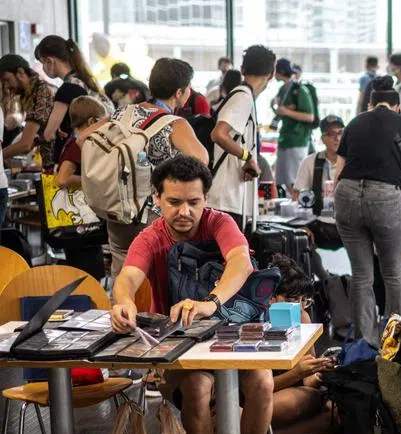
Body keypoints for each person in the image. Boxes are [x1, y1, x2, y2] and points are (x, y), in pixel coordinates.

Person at [110, 155, 273, 434]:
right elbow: (128, 277)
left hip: (231, 336)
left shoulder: (220, 223)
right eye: (173, 202)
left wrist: (210, 302)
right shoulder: (150, 238)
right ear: (157, 198)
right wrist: (125, 303)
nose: (184, 211)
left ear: (206, 199)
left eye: (194, 202)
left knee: (263, 382)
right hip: (180, 350)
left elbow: (241, 262)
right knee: (198, 386)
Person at [96, 58, 211, 276]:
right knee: (155, 278)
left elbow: (85, 138)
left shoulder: (123, 113)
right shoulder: (174, 124)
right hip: (151, 213)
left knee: (123, 273)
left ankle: (121, 309)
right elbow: (201, 159)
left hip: (117, 209)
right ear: (179, 93)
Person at [335, 77, 401, 345]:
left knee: (362, 274)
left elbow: (338, 173)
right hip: (385, 196)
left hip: (347, 195)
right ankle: (400, 340)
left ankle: (366, 343)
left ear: (371, 104)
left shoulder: (354, 124)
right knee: (393, 270)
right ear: (397, 106)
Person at [209, 44, 276, 231]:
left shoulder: (242, 96)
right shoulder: (243, 97)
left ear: (242, 70)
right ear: (272, 73)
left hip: (228, 199)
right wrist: (248, 158)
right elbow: (219, 134)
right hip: (224, 200)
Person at [268, 255, 334, 434]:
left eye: (303, 300)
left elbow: (308, 381)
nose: (298, 307)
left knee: (333, 412)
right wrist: (296, 373)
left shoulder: (302, 317)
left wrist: (320, 371)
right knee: (296, 402)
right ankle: (254, 430)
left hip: (294, 390)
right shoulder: (257, 325)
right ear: (271, 298)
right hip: (258, 396)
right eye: (291, 299)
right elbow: (257, 388)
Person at [32, 36, 110, 167]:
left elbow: (48, 134)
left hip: (78, 161)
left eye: (42, 62)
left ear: (50, 61)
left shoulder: (68, 88)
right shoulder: (83, 81)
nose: (43, 68)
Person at [292, 114, 343, 249]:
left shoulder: (354, 161)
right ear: (322, 138)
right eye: (331, 134)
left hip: (349, 225)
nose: (337, 138)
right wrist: (303, 226)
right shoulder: (310, 162)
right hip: (318, 223)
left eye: (340, 133)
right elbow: (297, 196)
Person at [270, 58, 314, 189]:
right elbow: (280, 113)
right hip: (285, 139)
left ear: (279, 72)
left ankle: (298, 208)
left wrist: (287, 112)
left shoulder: (300, 90)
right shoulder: (282, 90)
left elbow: (310, 117)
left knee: (295, 181)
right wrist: (274, 107)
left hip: (297, 140)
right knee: (283, 180)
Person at [54, 96, 106, 191]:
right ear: (92, 122)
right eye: (102, 123)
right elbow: (62, 180)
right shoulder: (76, 145)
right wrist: (96, 181)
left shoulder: (73, 141)